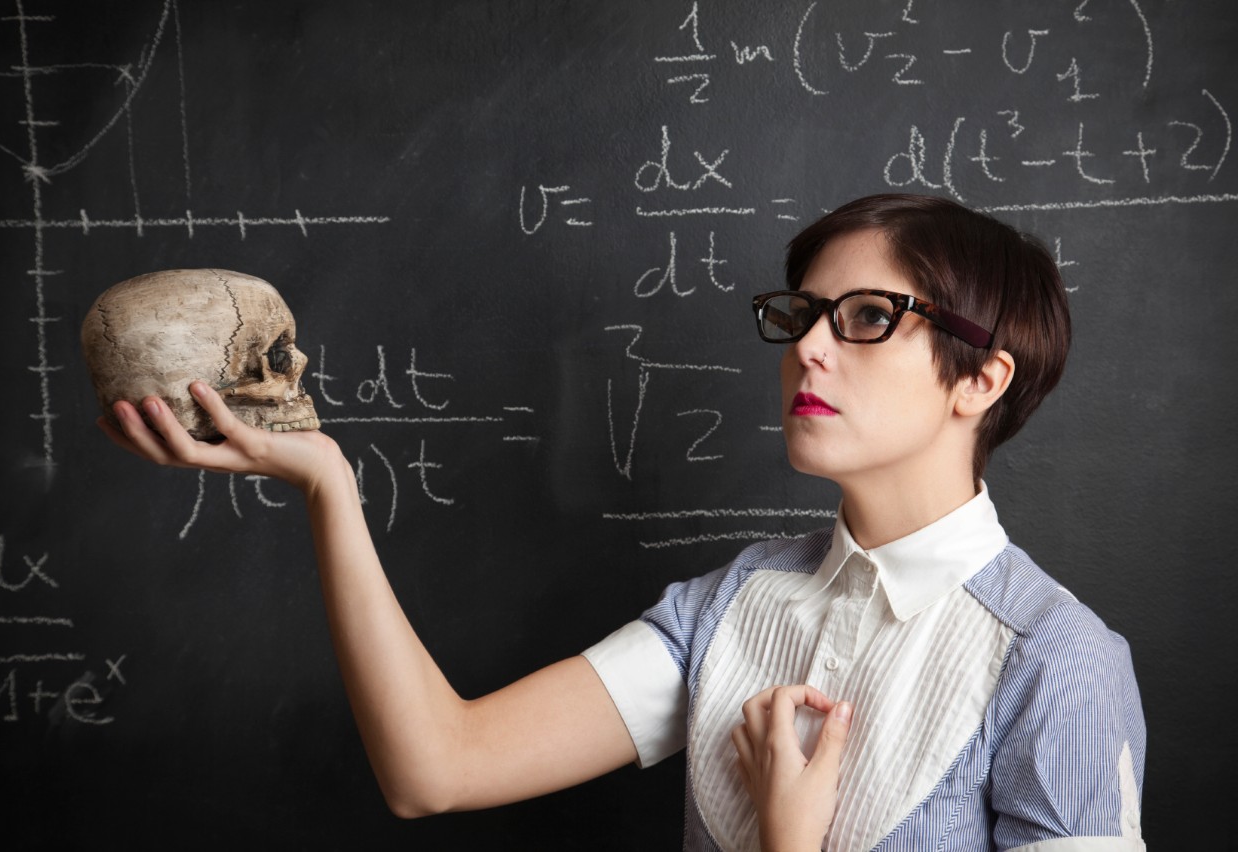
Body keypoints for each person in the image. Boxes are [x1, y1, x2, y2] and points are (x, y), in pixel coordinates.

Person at [100, 193, 1145, 852]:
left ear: (982, 378)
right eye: (798, 316)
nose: (807, 351)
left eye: (866, 318)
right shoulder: (730, 610)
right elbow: (436, 769)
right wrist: (329, 486)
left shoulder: (1056, 666)